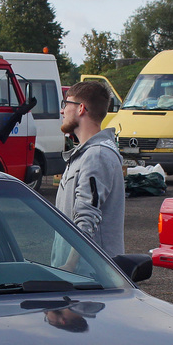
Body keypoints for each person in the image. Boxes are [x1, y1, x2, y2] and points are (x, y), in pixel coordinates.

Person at [55, 81, 125, 261]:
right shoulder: (85, 155)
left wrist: (69, 268)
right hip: (78, 276)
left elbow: (86, 219)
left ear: (81, 108)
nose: (62, 111)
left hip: (89, 277)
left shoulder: (97, 155)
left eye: (66, 104)